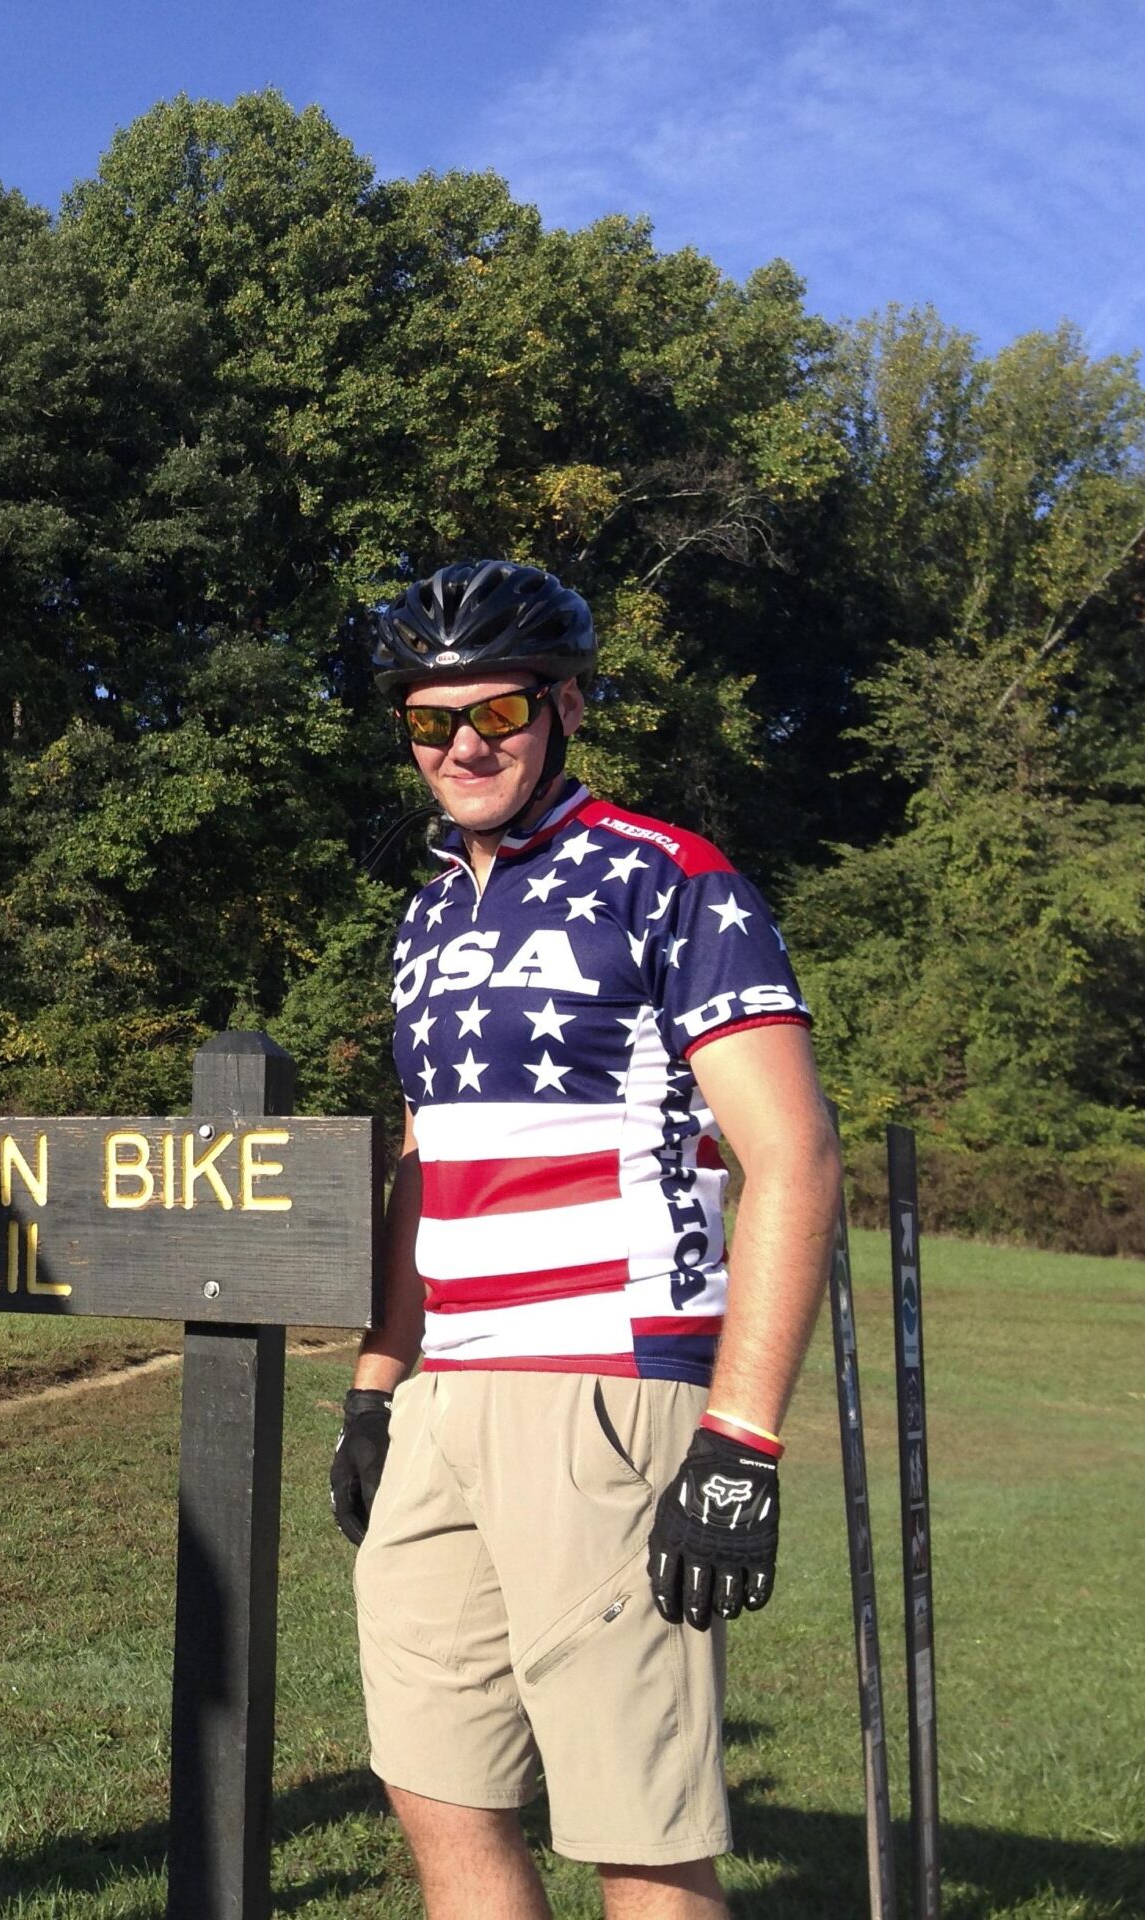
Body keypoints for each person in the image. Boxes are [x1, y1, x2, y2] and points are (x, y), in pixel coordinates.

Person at [330, 561, 842, 1919]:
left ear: (562, 708)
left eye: (494, 715)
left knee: (639, 1835)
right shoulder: (429, 911)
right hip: (446, 1401)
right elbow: (426, 1157)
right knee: (439, 1801)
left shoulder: (671, 879)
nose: (459, 749)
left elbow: (793, 1157)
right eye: (429, 723)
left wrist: (743, 1439)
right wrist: (379, 1385)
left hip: (611, 1389)